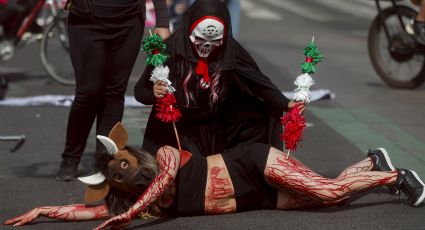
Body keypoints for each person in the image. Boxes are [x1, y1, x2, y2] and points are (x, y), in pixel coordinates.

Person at [4, 122, 424, 229]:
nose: (124, 178)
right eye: (116, 178)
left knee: (328, 192)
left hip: (251, 163)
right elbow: (87, 212)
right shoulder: (132, 200)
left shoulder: (166, 154)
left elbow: (160, 184)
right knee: (333, 198)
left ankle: (397, 178)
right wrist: (43, 209)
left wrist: (130, 214)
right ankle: (373, 163)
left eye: (124, 166)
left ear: (132, 154)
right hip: (251, 198)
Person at [134, 0, 303, 157]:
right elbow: (140, 92)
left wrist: (286, 104)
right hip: (173, 131)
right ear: (189, 33)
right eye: (199, 40)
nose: (206, 47)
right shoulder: (171, 50)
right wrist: (154, 93)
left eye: (214, 41)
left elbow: (258, 84)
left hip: (212, 133)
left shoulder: (230, 51)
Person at [56, 0, 171, 182]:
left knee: (114, 92)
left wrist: (163, 21)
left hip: (129, 22)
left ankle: (105, 160)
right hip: (87, 21)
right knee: (88, 92)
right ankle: (71, 157)